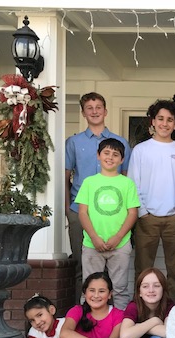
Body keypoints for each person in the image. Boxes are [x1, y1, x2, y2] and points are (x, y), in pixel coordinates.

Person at [65, 92, 132, 302]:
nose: (94, 111)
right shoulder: (74, 142)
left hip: (113, 215)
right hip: (80, 211)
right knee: (82, 266)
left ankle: (111, 318)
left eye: (98, 107)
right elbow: (65, 176)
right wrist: (68, 209)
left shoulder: (120, 142)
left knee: (115, 272)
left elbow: (126, 177)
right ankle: (84, 313)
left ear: (105, 111)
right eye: (89, 107)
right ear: (84, 112)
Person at [128, 99, 175, 303]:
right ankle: (142, 311)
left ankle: (173, 312)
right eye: (161, 119)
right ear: (153, 121)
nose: (165, 124)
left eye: (170, 120)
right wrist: (142, 213)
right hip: (147, 218)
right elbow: (132, 183)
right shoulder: (140, 150)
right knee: (143, 269)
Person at [75, 138, 139, 309]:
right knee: (90, 288)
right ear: (98, 155)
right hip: (92, 244)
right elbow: (82, 212)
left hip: (120, 244)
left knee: (119, 289)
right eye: (106, 153)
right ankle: (87, 324)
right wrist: (94, 237)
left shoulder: (127, 183)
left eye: (116, 154)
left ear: (122, 160)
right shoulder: (89, 182)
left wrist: (118, 237)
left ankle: (120, 328)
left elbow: (133, 213)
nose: (110, 157)